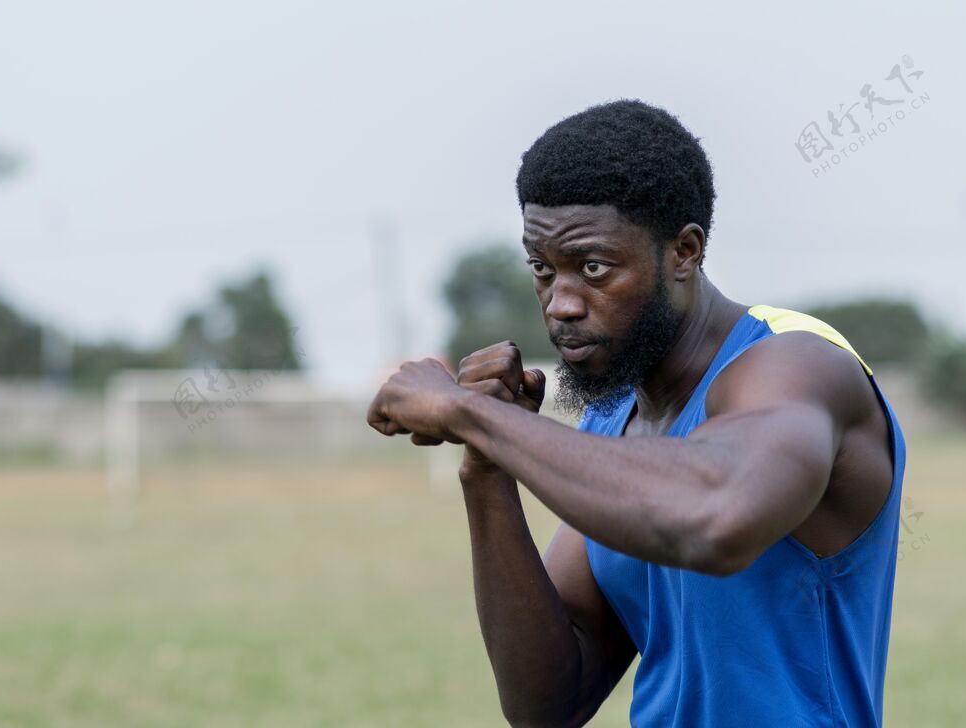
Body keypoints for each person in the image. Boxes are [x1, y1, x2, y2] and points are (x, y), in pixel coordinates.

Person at [367, 99, 906, 727]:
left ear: (684, 251)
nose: (561, 303)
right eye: (543, 270)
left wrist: (470, 414)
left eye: (593, 268)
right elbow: (547, 705)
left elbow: (715, 517)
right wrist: (487, 471)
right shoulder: (616, 415)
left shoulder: (796, 364)